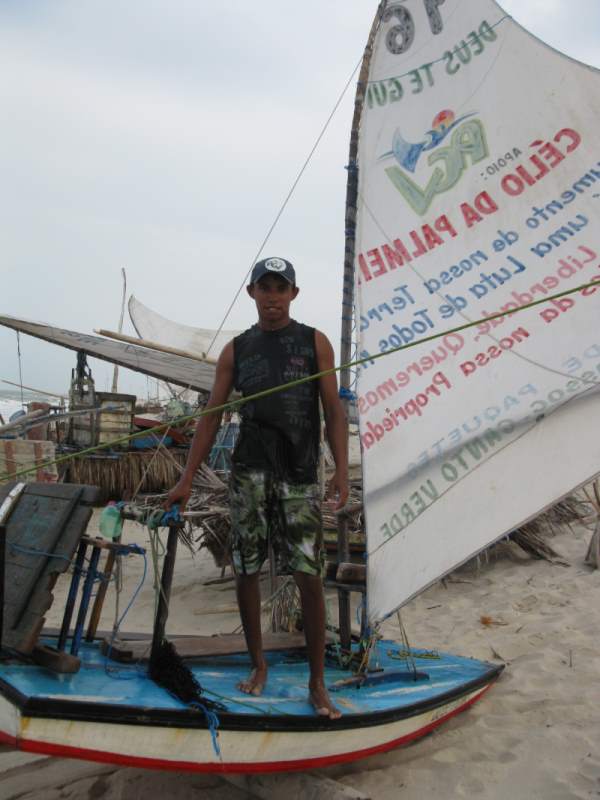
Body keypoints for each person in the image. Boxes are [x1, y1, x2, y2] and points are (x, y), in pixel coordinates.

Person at [166, 257, 349, 719]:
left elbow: (333, 409)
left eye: (280, 287)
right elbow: (211, 415)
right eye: (264, 287)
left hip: (300, 473)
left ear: (294, 294)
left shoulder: (314, 342)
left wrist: (342, 469)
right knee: (247, 567)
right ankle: (258, 664)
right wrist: (187, 478)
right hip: (249, 471)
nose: (272, 296)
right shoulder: (237, 350)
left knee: (308, 573)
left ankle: (317, 683)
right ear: (251, 293)